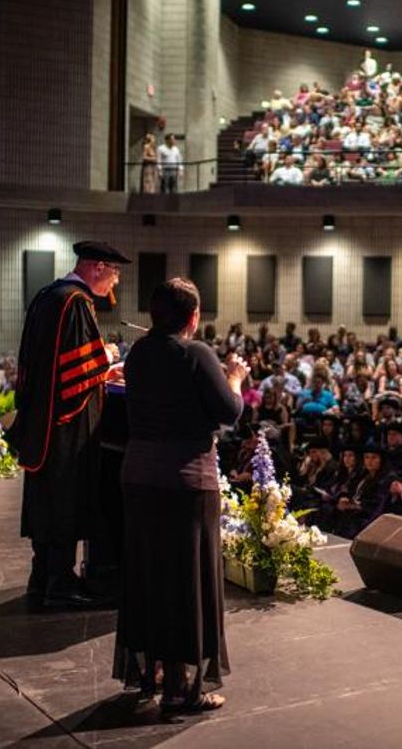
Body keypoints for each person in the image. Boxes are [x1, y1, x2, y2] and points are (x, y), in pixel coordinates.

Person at [112, 277, 246, 714]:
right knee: (188, 583)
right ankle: (182, 688)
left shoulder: (139, 354)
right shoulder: (196, 352)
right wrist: (236, 378)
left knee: (149, 576)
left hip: (137, 477)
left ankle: (150, 675)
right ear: (193, 317)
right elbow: (229, 412)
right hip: (185, 482)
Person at [8, 240, 128, 609]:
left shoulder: (48, 295)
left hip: (41, 418)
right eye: (114, 272)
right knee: (65, 499)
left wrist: (100, 367)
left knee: (47, 499)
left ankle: (41, 577)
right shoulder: (75, 302)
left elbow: (46, 364)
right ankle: (60, 585)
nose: (116, 282)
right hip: (67, 424)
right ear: (96, 267)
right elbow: (74, 371)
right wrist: (106, 356)